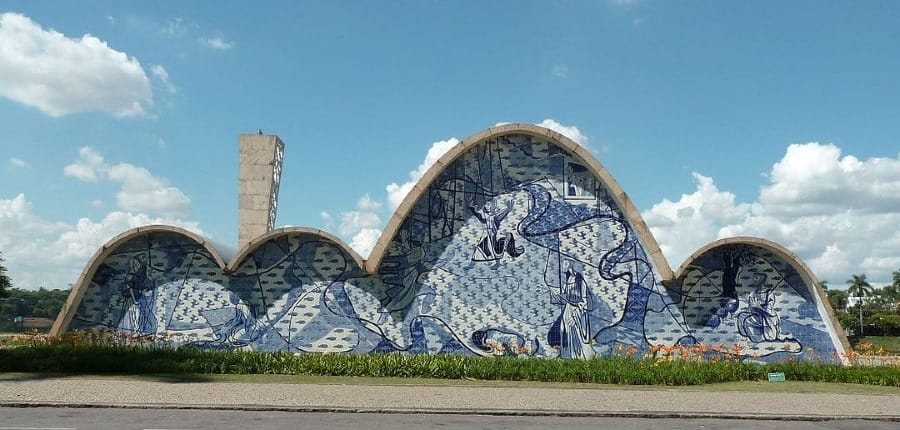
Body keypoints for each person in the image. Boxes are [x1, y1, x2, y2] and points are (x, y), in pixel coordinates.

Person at [551, 260, 594, 359]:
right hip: (567, 310)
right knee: (564, 330)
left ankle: (580, 357)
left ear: (571, 265)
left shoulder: (580, 282)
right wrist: (548, 288)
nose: (563, 266)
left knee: (577, 333)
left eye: (565, 263)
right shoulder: (568, 280)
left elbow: (584, 301)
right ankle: (568, 356)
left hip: (577, 312)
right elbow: (561, 295)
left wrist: (576, 315)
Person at [737, 272, 782, 342]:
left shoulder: (769, 293)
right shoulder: (754, 293)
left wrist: (758, 306)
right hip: (758, 316)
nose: (754, 280)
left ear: (762, 279)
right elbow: (752, 308)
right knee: (741, 316)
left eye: (756, 278)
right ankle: (751, 336)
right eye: (753, 278)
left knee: (748, 320)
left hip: (767, 318)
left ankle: (758, 339)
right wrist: (748, 300)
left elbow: (769, 310)